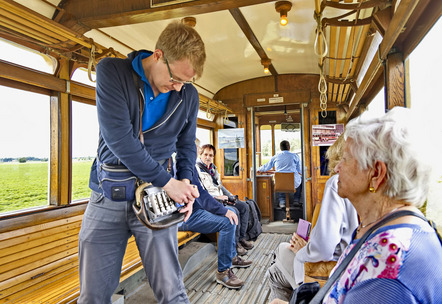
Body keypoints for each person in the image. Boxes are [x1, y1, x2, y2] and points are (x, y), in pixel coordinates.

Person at [78, 21, 205, 304]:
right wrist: (169, 182)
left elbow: (186, 146)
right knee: (92, 296)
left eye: (185, 83)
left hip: (158, 196)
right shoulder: (112, 72)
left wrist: (184, 181)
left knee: (172, 292)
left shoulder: (187, 95)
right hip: (108, 197)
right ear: (158, 55)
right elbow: (120, 140)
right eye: (175, 79)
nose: (177, 88)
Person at [319, 107, 442, 303]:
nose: (336, 167)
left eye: (345, 158)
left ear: (376, 173)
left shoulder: (387, 268)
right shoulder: (386, 227)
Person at [267, 135, 359, 302]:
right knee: (297, 185)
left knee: (275, 268)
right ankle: (294, 202)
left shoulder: (336, 184)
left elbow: (324, 247)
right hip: (345, 270)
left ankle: (282, 204)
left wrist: (304, 249)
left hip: (326, 273)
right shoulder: (294, 156)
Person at [178, 139, 252, 289]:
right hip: (184, 216)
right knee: (228, 221)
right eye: (197, 148)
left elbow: (201, 193)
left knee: (232, 212)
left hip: (197, 210)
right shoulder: (182, 168)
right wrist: (223, 211)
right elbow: (202, 197)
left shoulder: (188, 168)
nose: (198, 152)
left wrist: (225, 210)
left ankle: (231, 256)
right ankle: (223, 272)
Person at [196, 143, 254, 255]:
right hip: (212, 202)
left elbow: (220, 186)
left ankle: (241, 238)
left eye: (211, 155)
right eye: (205, 155)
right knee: (234, 212)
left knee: (244, 206)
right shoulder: (197, 170)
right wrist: (217, 197)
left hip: (222, 199)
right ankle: (235, 244)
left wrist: (231, 197)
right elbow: (202, 194)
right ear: (200, 155)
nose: (208, 157)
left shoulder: (213, 169)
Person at [257, 140, 302, 208]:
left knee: (280, 182)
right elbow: (300, 169)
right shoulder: (295, 156)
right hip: (293, 183)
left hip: (280, 184)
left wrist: (258, 169)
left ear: (280, 148)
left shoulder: (276, 156)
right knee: (300, 179)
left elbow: (266, 167)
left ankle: (282, 202)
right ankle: (296, 200)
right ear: (289, 148)